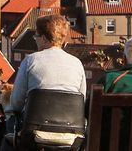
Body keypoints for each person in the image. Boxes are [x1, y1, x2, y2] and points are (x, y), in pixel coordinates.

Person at [5, 14, 87, 146]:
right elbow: (81, 100)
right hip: (70, 138)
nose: (35, 40)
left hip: (35, 135)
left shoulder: (30, 61)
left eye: (36, 36)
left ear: (43, 38)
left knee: (7, 128)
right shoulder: (77, 63)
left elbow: (16, 103)